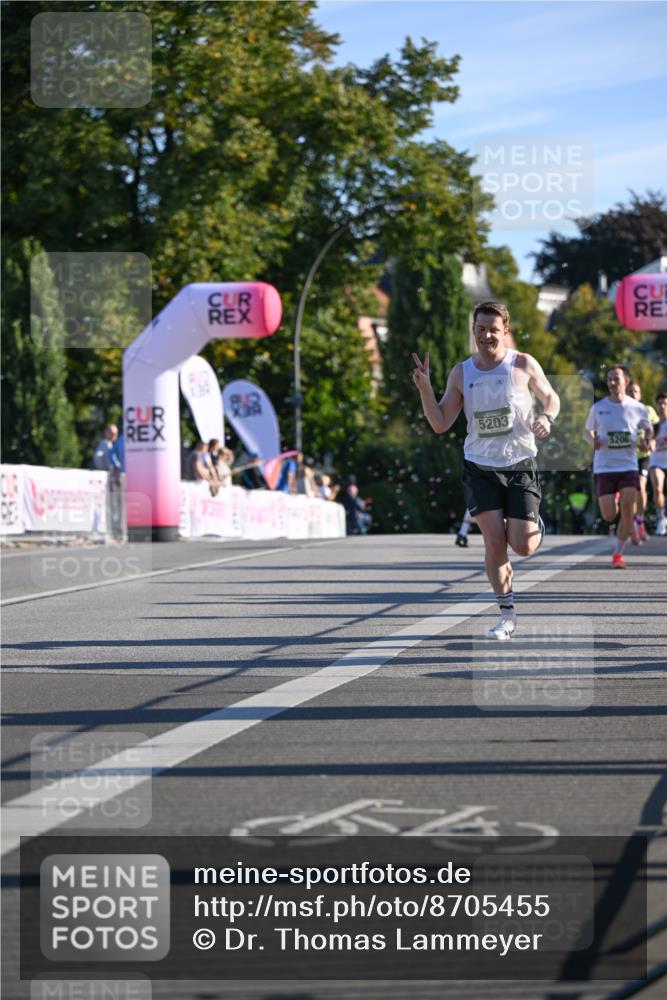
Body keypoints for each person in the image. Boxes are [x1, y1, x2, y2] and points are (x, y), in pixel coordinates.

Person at [413, 300, 559, 640]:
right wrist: (424, 389)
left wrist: (545, 417)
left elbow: (551, 398)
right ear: (473, 331)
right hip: (480, 466)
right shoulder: (462, 372)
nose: (486, 336)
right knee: (494, 543)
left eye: (493, 329)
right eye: (480, 329)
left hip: (520, 463)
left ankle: (533, 522)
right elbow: (440, 422)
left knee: (522, 545)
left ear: (505, 330)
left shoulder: (522, 364)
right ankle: (507, 615)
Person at [583, 365, 653, 569]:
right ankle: (614, 497)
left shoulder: (637, 408)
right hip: (604, 467)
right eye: (610, 379)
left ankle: (618, 554)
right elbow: (586, 432)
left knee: (628, 512)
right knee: (609, 516)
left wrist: (646, 442)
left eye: (616, 379)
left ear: (626, 382)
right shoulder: (598, 408)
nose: (613, 383)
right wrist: (592, 442)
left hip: (628, 465)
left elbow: (648, 430)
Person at [627, 381, 659, 543]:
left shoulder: (647, 410)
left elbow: (656, 428)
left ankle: (640, 521)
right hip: (627, 456)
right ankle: (632, 524)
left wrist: (651, 441)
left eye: (636, 391)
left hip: (644, 456)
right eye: (630, 391)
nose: (633, 394)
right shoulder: (622, 410)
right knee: (631, 492)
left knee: (640, 489)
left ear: (640, 394)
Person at [649, 391, 667, 536]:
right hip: (656, 462)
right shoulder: (653, 425)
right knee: (657, 489)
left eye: (665, 403)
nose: (662, 406)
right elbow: (648, 441)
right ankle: (661, 518)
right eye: (660, 403)